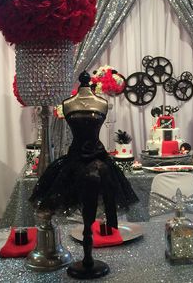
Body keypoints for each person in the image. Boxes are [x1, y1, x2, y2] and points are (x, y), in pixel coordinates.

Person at [29, 71, 138, 268]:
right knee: (73, 203)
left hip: (99, 159)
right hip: (74, 161)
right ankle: (86, 256)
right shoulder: (68, 102)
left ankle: (89, 255)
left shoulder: (102, 103)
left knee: (95, 203)